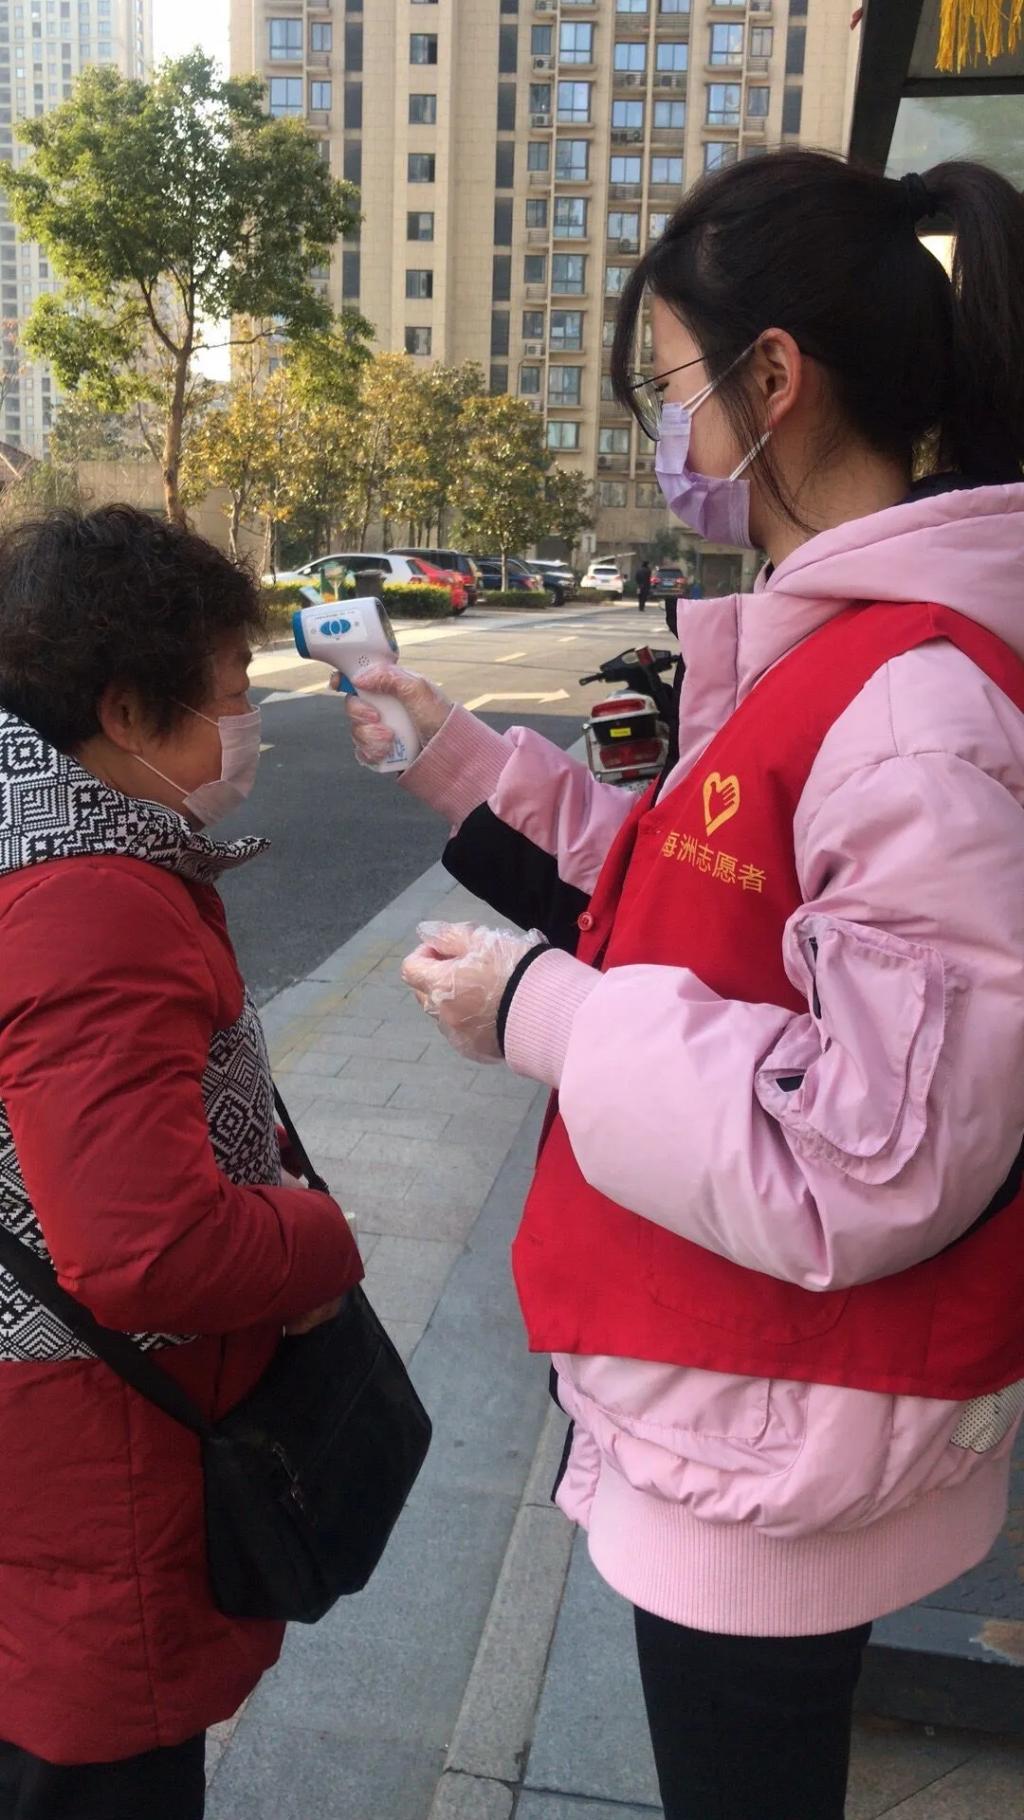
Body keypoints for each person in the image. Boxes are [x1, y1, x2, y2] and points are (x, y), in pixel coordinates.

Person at [345, 150, 1024, 1819]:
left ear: (771, 378)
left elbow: (876, 1154)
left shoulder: (913, 706)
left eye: (668, 384)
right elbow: (693, 895)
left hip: (781, 1428)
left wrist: (541, 1012)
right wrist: (453, 754)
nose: (668, 433)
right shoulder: (846, 648)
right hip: (760, 1406)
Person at [0, 506, 361, 1819]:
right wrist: (318, 1238)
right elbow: (145, 1249)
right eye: (230, 694)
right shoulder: (88, 900)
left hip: (51, 1448)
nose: (248, 726)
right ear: (125, 713)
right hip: (93, 1454)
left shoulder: (40, 849)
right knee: (93, 1768)